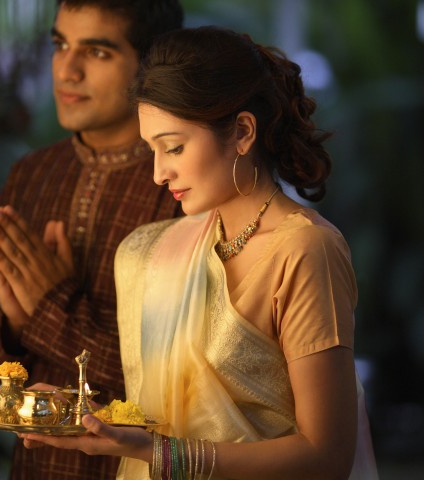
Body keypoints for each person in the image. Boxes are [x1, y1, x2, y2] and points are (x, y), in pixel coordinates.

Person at [21, 26, 379, 479]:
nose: (157, 173)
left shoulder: (306, 250)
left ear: (243, 132)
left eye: (173, 147)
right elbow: (169, 414)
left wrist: (163, 455)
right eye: (150, 150)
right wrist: (88, 416)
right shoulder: (154, 251)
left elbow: (325, 456)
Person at [0, 1, 183, 479]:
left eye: (97, 52)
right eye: (59, 45)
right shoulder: (31, 176)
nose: (67, 69)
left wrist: (48, 308)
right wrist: (15, 326)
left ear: (152, 63)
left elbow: (180, 386)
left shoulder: (181, 185)